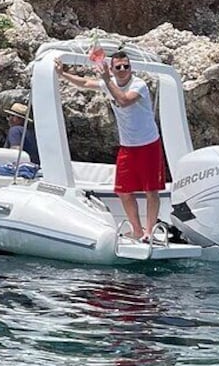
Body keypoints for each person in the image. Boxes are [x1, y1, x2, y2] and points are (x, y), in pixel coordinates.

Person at [55, 51, 165, 241]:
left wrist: (107, 79)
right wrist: (62, 74)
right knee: (123, 190)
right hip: (127, 146)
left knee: (151, 190)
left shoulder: (139, 85)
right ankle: (137, 230)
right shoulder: (109, 83)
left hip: (148, 143)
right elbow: (85, 83)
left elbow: (123, 101)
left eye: (126, 66)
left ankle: (149, 231)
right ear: (112, 68)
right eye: (118, 67)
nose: (123, 70)